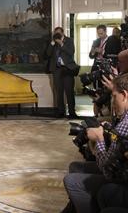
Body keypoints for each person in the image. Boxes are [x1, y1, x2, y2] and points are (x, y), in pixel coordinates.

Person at [63, 73, 128, 213]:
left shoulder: (126, 123)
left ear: (124, 95)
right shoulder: (125, 117)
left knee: (72, 180)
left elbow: (107, 170)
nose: (112, 100)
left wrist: (99, 140)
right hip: (120, 173)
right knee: (75, 167)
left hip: (120, 178)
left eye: (114, 96)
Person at [45, 26, 78, 118]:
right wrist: (52, 43)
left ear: (63, 33)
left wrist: (61, 43)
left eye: (59, 33)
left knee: (69, 91)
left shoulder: (69, 40)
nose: (57, 35)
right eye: (56, 33)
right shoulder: (53, 42)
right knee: (58, 92)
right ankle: (61, 112)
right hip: (57, 69)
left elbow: (71, 52)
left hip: (67, 69)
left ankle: (72, 112)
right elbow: (48, 54)